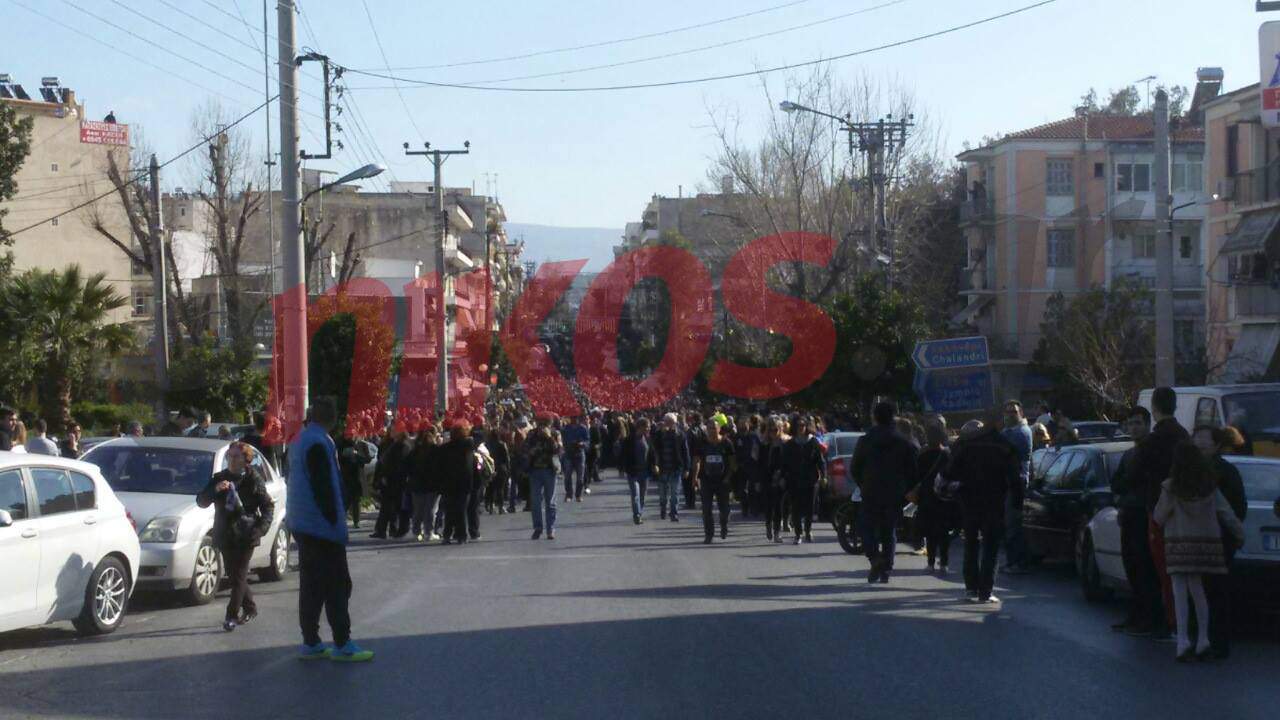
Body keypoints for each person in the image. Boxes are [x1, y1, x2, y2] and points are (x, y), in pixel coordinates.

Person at [287, 398, 372, 661]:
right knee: (337, 585)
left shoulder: (300, 439)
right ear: (333, 419)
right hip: (320, 526)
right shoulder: (319, 442)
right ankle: (342, 643)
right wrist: (335, 520)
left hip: (302, 521)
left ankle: (311, 641)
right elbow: (323, 486)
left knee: (311, 586)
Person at [1153, 442, 1245, 662]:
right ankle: (1203, 639)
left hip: (1179, 544)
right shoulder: (1209, 486)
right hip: (1206, 546)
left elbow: (1159, 517)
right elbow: (1226, 513)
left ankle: (1183, 641)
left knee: (1179, 592)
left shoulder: (1171, 487)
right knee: (1198, 590)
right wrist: (1240, 535)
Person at [197, 441, 274, 632]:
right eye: (229, 456)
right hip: (225, 533)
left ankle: (231, 616)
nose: (231, 460)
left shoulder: (253, 479)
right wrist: (215, 490)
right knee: (234, 575)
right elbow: (201, 501)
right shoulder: (219, 478)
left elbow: (267, 506)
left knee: (239, 575)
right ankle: (250, 607)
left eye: (236, 457)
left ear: (246, 460)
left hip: (246, 534)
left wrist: (260, 529)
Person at [946, 410, 1021, 604]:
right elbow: (1015, 477)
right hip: (994, 500)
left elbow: (949, 471)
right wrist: (1017, 503)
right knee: (991, 546)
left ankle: (971, 587)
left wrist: (955, 488)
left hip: (969, 499)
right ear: (998, 422)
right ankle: (986, 590)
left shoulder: (965, 444)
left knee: (971, 543)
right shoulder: (1004, 445)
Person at [1135, 386, 1189, 637]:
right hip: (1184, 509)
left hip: (1158, 508)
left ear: (1154, 408)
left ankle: (1171, 621)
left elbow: (1134, 472)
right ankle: (1183, 620)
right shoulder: (1184, 435)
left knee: (1163, 567)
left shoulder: (1154, 439)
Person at [1192, 425, 1247, 659]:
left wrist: (1231, 534)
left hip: (1218, 540)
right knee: (1199, 592)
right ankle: (1201, 640)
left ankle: (1217, 641)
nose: (1200, 443)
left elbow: (1236, 508)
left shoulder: (1225, 471)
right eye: (1197, 438)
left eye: (1205, 439)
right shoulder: (1190, 470)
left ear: (1216, 445)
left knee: (1216, 592)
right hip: (1196, 540)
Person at [1109, 406, 1162, 635]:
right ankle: (1135, 615)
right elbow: (1118, 482)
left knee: (1145, 568)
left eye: (1138, 423)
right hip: (1129, 515)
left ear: (1148, 424)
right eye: (1130, 423)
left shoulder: (1152, 452)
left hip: (1145, 516)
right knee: (1131, 567)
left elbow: (1143, 482)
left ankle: (1150, 618)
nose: (1134, 428)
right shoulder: (1129, 454)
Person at [850, 402, 917, 578]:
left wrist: (863, 484)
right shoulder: (903, 443)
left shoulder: (865, 441)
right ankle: (886, 566)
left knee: (866, 527)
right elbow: (912, 469)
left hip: (871, 490)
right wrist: (906, 488)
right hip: (894, 492)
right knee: (889, 530)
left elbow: (855, 467)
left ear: (875, 417)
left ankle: (875, 558)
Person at [914, 420, 957, 573]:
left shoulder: (922, 455)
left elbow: (916, 475)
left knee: (930, 532)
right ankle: (944, 563)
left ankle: (931, 562)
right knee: (943, 531)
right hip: (944, 496)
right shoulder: (947, 455)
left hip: (927, 496)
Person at [782, 415, 827, 546]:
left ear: (807, 427)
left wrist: (824, 476)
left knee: (810, 507)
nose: (800, 428)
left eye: (802, 425)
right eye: (798, 426)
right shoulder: (790, 444)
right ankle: (798, 534)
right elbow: (784, 463)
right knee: (795, 507)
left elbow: (820, 461)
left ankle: (808, 530)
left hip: (810, 480)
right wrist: (783, 477)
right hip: (794, 480)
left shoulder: (813, 442)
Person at [1001, 400, 1034, 575]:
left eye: (1013, 411)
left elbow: (1004, 450)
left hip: (1017, 483)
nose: (1010, 415)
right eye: (1007, 412)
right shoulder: (1008, 430)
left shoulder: (1021, 432)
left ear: (1020, 412)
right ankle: (1013, 561)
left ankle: (1016, 562)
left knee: (1013, 524)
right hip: (1009, 481)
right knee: (1010, 524)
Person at [696, 418, 737, 543]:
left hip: (722, 481)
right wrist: (695, 478)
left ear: (719, 429)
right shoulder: (702, 443)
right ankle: (709, 535)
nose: (712, 430)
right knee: (706, 509)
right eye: (709, 428)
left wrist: (728, 477)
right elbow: (697, 461)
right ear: (706, 430)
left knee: (724, 509)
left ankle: (724, 525)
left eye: (714, 428)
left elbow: (732, 462)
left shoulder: (726, 443)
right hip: (706, 480)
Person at [525, 417, 562, 539]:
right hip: (535, 470)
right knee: (535, 501)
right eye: (541, 422)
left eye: (545, 423)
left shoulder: (555, 433)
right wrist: (535, 448)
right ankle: (538, 528)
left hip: (550, 470)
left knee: (550, 501)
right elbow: (526, 449)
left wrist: (549, 437)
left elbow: (559, 450)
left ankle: (550, 528)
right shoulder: (532, 434)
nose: (543, 425)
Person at [370, 432, 413, 539]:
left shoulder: (403, 447)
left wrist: (385, 475)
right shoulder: (393, 446)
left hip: (397, 480)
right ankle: (385, 530)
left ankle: (394, 529)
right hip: (391, 480)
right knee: (388, 507)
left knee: (395, 507)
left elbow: (398, 464)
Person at [440, 425, 477, 544]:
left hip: (448, 483)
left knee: (449, 510)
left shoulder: (445, 448)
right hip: (464, 482)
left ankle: (447, 535)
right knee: (461, 509)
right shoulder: (468, 447)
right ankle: (462, 535)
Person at [620, 417, 658, 525]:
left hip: (645, 472)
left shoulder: (648, 439)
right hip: (633, 472)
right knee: (635, 494)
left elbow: (652, 453)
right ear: (640, 427)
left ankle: (639, 513)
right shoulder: (629, 440)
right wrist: (622, 468)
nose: (649, 429)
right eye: (647, 427)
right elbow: (623, 455)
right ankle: (637, 515)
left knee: (642, 495)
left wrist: (655, 464)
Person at [653, 413, 689, 522]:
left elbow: (685, 452)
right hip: (663, 467)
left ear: (675, 423)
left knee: (675, 493)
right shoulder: (659, 434)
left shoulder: (680, 435)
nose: (669, 424)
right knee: (663, 494)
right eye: (667, 422)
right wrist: (654, 464)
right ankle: (663, 507)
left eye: (671, 422)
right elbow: (653, 449)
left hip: (675, 468)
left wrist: (686, 468)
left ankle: (674, 513)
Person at [408, 428, 441, 542]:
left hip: (417, 483)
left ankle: (416, 532)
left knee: (418, 509)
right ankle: (429, 532)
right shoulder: (436, 450)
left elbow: (408, 466)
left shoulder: (415, 450)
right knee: (431, 509)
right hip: (433, 483)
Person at [337, 435, 373, 529]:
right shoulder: (342, 444)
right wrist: (346, 454)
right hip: (346, 475)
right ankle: (340, 520)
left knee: (356, 500)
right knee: (347, 499)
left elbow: (367, 459)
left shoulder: (362, 445)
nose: (352, 437)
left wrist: (357, 455)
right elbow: (339, 459)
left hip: (358, 476)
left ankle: (356, 521)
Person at [762, 416, 788, 543]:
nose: (773, 433)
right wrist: (757, 480)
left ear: (780, 429)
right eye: (771, 430)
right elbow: (758, 463)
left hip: (780, 477)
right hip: (766, 476)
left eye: (776, 430)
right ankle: (768, 524)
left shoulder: (785, 443)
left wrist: (784, 476)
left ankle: (777, 532)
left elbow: (788, 462)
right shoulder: (764, 444)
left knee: (778, 505)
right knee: (768, 505)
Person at [561, 416, 589, 503]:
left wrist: (582, 443)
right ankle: (568, 494)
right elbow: (562, 440)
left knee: (580, 477)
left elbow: (588, 441)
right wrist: (566, 445)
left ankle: (578, 495)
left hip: (579, 453)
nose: (574, 419)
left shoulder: (583, 428)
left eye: (576, 417)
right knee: (567, 476)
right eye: (572, 417)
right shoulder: (566, 428)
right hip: (568, 454)